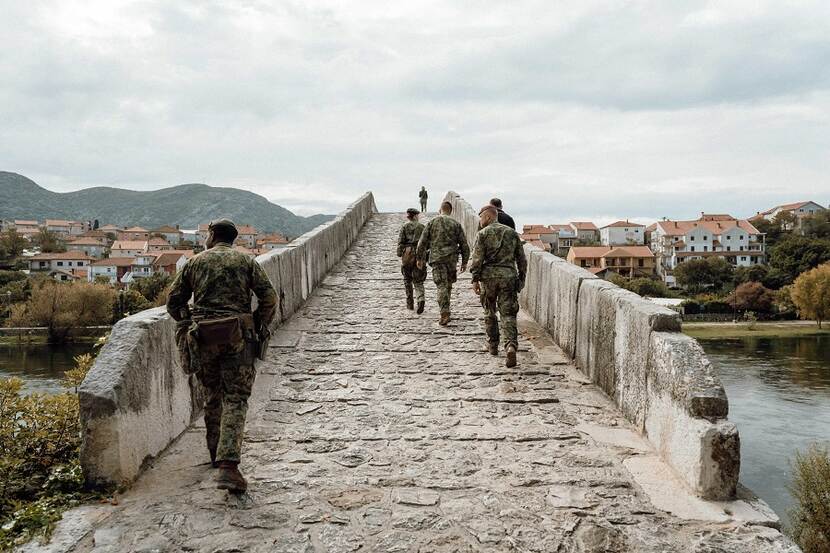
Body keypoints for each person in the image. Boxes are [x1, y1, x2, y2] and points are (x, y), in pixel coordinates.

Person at [167, 218, 277, 493]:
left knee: (212, 395)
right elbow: (269, 298)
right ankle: (229, 466)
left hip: (203, 338)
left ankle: (216, 454)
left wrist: (186, 323)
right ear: (233, 239)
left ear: (213, 235)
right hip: (237, 338)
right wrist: (258, 323)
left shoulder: (194, 263)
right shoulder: (246, 262)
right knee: (236, 398)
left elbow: (174, 302)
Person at [469, 205, 527, 368]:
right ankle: (510, 346)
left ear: (488, 217)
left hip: (489, 279)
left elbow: (477, 260)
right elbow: (521, 260)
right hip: (508, 277)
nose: (480, 221)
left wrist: (475, 279)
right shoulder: (511, 233)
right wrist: (521, 279)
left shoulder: (482, 234)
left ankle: (493, 346)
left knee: (490, 312)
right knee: (508, 314)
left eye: (481, 218)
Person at [416, 201, 470, 325]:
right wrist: (465, 261)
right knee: (448, 285)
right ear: (451, 211)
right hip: (451, 259)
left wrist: (419, 258)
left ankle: (444, 312)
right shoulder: (456, 224)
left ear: (440, 209)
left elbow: (422, 242)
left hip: (437, 259)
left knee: (441, 285)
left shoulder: (432, 223)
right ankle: (446, 309)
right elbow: (464, 244)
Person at [397, 208, 427, 314]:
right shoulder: (422, 227)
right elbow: (426, 243)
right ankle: (421, 299)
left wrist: (400, 253)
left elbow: (400, 242)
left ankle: (410, 303)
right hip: (419, 254)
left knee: (407, 279)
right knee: (418, 280)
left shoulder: (404, 227)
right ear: (415, 216)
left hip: (407, 254)